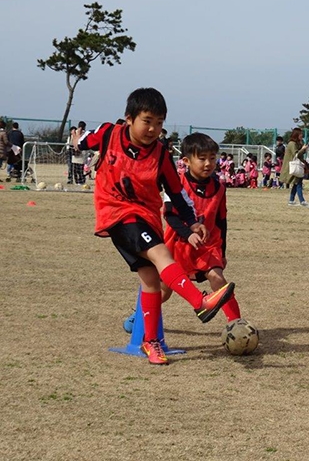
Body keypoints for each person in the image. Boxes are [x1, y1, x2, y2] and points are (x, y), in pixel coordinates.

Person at [73, 87, 234, 365]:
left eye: (159, 123)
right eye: (147, 121)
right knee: (162, 255)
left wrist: (193, 222)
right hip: (117, 213)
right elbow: (83, 140)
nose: (153, 129)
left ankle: (150, 343)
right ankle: (200, 302)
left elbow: (176, 193)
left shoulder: (161, 155)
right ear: (129, 119)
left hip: (146, 217)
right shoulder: (110, 133)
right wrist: (78, 141)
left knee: (150, 282)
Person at [123, 133, 242, 334]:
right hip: (177, 244)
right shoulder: (175, 183)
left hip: (207, 247)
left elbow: (222, 222)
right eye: (202, 158)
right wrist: (188, 233)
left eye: (212, 158)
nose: (208, 164)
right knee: (163, 291)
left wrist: (221, 252)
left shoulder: (220, 188)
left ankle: (237, 324)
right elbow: (170, 216)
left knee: (218, 279)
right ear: (186, 161)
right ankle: (140, 316)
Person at [279, 128, 309, 207]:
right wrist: (303, 149)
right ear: (296, 135)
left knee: (296, 182)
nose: (302, 136)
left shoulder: (297, 143)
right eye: (300, 134)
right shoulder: (292, 144)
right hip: (292, 166)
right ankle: (302, 201)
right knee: (298, 183)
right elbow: (296, 154)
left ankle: (291, 200)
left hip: (297, 165)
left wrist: (304, 149)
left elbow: (299, 154)